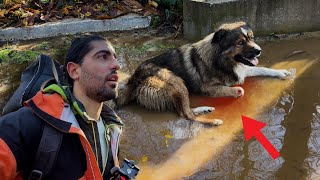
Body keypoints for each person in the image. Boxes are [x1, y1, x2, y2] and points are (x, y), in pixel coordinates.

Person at [0, 35, 125, 179]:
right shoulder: (29, 124)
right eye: (103, 56)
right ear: (74, 71)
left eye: (115, 58)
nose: (116, 65)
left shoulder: (112, 127)